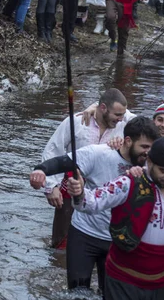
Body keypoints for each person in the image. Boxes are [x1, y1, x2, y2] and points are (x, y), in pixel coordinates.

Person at [65, 137, 164, 300]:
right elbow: (92, 203)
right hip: (123, 279)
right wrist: (80, 192)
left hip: (158, 282)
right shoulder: (128, 182)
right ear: (149, 163)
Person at [30, 116, 160, 296]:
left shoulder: (151, 166)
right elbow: (63, 162)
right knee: (77, 296)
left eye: (151, 148)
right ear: (128, 141)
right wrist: (40, 170)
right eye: (144, 147)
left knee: (109, 298)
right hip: (84, 234)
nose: (148, 153)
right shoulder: (99, 153)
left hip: (118, 241)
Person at [41, 88, 135, 249]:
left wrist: (93, 106)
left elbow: (144, 123)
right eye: (118, 115)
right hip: (71, 186)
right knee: (60, 244)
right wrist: (51, 187)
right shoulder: (76, 122)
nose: (121, 119)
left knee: (103, 239)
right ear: (103, 108)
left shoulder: (124, 124)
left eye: (123, 115)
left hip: (104, 191)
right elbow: (53, 150)